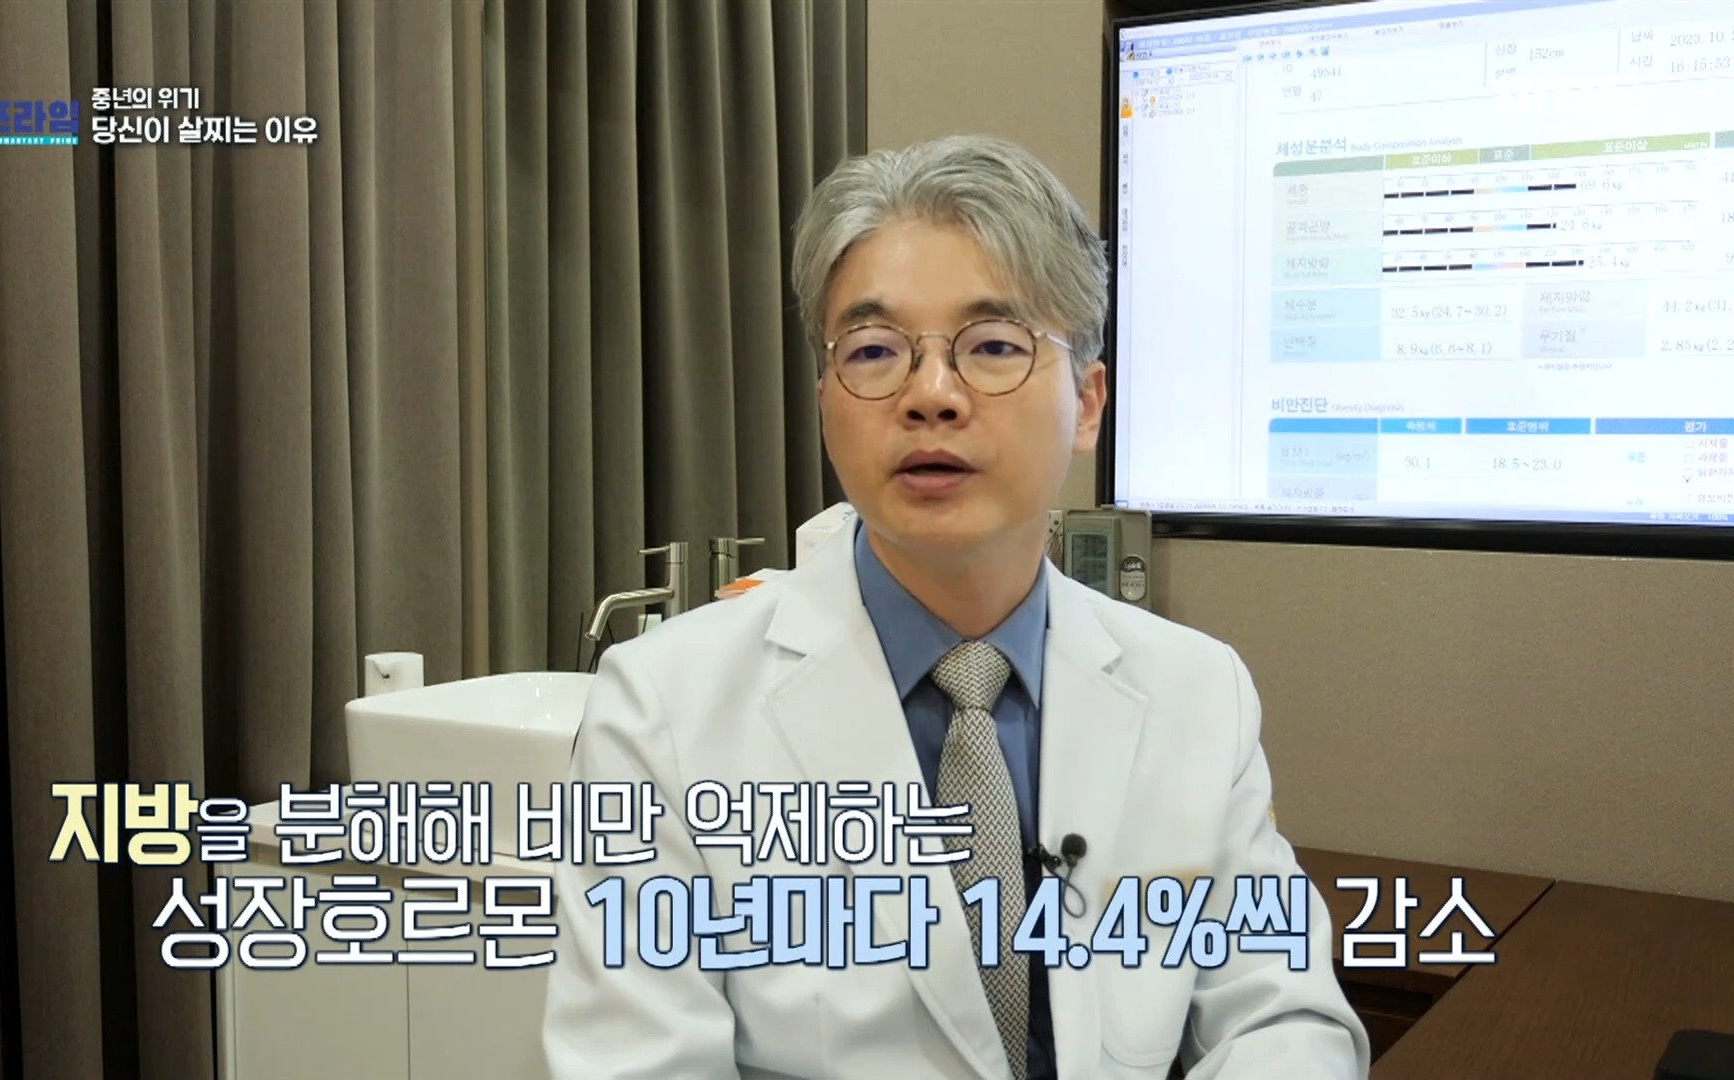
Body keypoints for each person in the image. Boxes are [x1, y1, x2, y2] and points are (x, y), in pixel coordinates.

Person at [542, 135, 1369, 1080]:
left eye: (993, 347)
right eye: (874, 351)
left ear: (1087, 402)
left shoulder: (1199, 691)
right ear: (826, 399)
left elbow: (1282, 1016)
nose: (931, 396)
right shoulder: (658, 711)